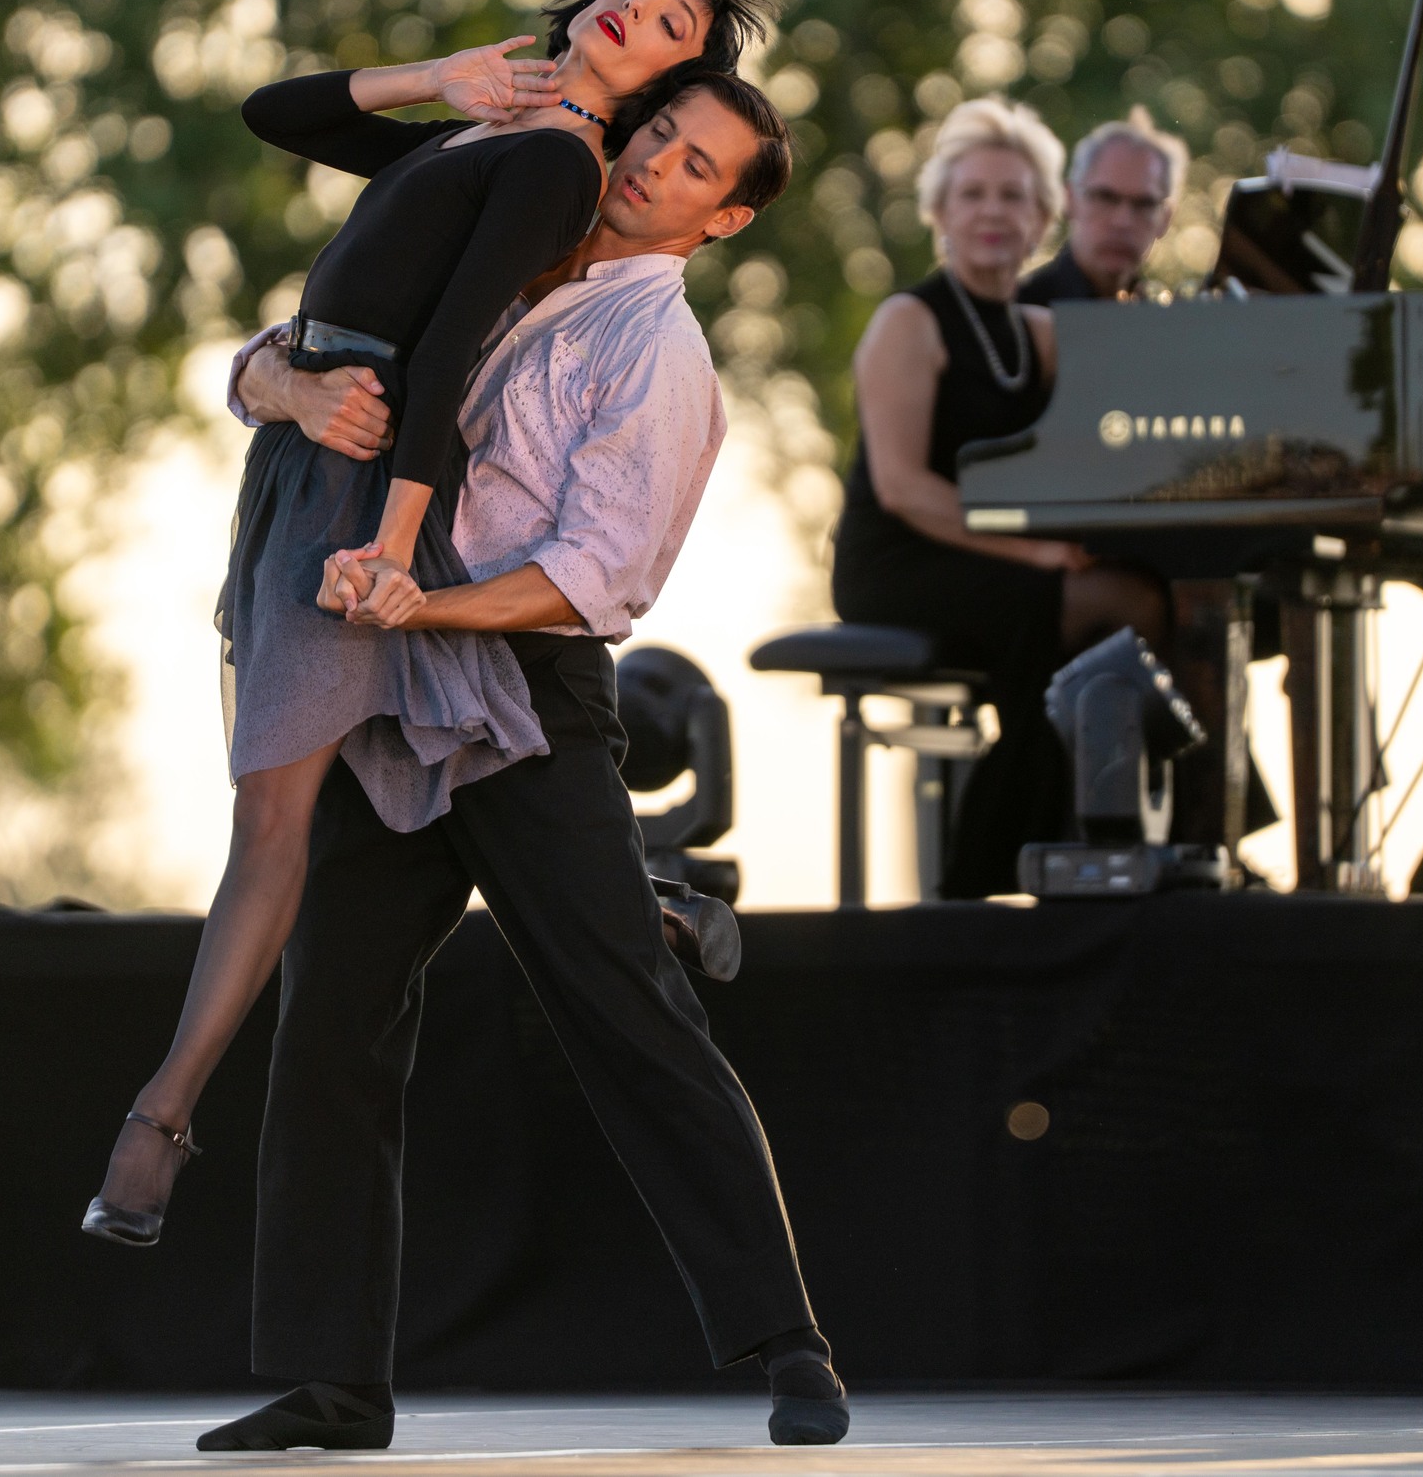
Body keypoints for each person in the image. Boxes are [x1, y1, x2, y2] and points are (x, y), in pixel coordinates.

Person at [81, 0, 766, 1262]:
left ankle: (159, 1121)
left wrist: (394, 546)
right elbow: (274, 113)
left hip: (367, 497)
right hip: (299, 470)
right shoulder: (490, 130)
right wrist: (434, 80)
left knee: (277, 818)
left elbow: (445, 353)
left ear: (659, 90)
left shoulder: (560, 171)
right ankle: (645, 902)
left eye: (674, 24)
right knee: (394, 772)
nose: (639, 9)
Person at [195, 72, 848, 1452]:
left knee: (624, 1010)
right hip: (387, 676)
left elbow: (594, 578)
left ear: (723, 218)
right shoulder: (502, 234)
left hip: (527, 692)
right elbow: (304, 340)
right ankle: (330, 1379)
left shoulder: (659, 353)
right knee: (333, 1006)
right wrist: (281, 383)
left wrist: (425, 604)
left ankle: (789, 1341)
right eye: (659, 132)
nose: (656, 163)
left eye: (696, 166)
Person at [831, 99, 1169, 900]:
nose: (992, 212)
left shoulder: (1036, 333)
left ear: (1046, 217)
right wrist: (1039, 552)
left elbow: (1136, 408)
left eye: (1013, 196)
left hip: (989, 559)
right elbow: (903, 490)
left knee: (1123, 612)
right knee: (1120, 608)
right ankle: (986, 879)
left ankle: (1077, 856)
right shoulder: (910, 321)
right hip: (899, 563)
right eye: (973, 194)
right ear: (941, 213)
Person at [1016, 107, 1188, 305]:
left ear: (1165, 219)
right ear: (1070, 200)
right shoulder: (1019, 311)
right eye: (1105, 198)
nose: (1122, 221)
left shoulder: (1165, 316)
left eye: (1144, 204)